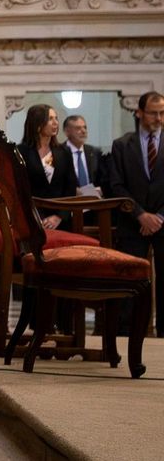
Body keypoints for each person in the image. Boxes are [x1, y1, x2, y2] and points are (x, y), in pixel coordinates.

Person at [107, 91, 164, 336]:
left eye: (162, 113)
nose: (159, 118)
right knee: (131, 281)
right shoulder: (122, 145)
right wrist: (141, 215)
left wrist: (158, 217)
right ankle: (128, 334)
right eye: (153, 113)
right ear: (139, 112)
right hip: (132, 223)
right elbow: (116, 186)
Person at [19, 103, 75, 230]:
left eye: (56, 118)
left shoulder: (64, 151)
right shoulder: (21, 152)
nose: (55, 123)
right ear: (37, 123)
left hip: (61, 221)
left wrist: (58, 216)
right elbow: (20, 190)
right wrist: (39, 217)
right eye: (50, 119)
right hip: (32, 220)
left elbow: (70, 189)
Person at [64, 114, 109, 197]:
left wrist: (102, 189)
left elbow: (104, 179)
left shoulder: (95, 152)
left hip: (94, 202)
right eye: (78, 128)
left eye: (85, 127)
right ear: (67, 132)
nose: (83, 131)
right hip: (69, 203)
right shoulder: (59, 152)